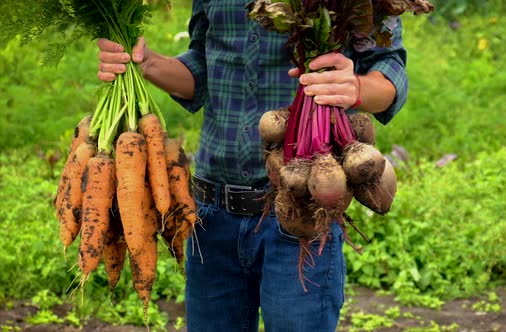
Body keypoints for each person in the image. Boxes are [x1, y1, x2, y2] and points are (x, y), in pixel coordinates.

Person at [97, 1, 408, 331]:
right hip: (211, 217)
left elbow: (391, 73)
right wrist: (143, 63)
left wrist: (356, 88)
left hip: (299, 210)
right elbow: (202, 70)